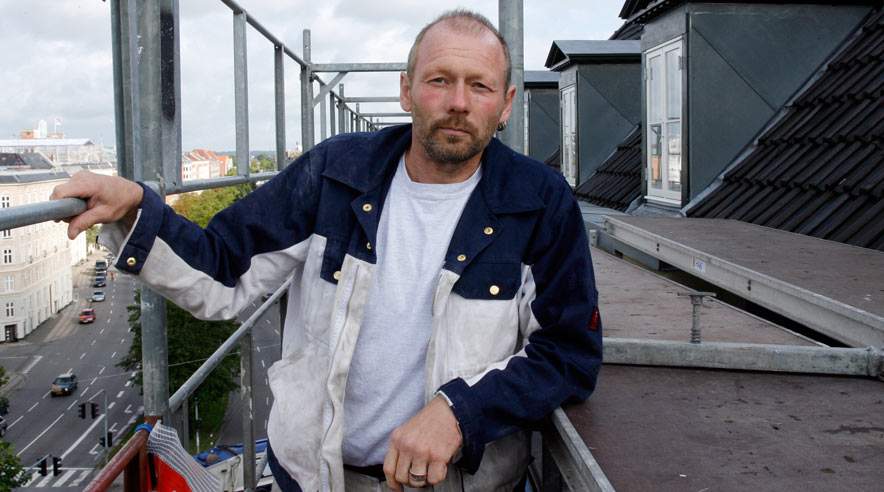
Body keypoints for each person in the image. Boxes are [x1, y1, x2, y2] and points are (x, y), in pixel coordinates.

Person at [51, 9, 602, 492]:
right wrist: (135, 210)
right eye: (440, 80)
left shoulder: (540, 204)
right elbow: (221, 271)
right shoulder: (334, 176)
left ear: (505, 104)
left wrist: (461, 413)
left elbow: (568, 353)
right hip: (317, 477)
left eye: (479, 87)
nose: (458, 102)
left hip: (464, 483)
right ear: (407, 91)